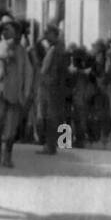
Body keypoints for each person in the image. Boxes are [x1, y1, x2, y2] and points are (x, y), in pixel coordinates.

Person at [0, 14, 33, 167]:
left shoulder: (22, 51)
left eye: (8, 29)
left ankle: (7, 157)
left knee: (10, 129)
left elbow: (28, 72)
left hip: (15, 94)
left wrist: (26, 92)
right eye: (3, 30)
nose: (5, 32)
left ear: (15, 32)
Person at [36, 24, 69, 154]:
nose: (46, 35)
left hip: (50, 86)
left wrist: (38, 41)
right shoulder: (60, 48)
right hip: (57, 86)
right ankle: (60, 143)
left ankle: (50, 146)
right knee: (57, 115)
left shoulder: (54, 49)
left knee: (49, 116)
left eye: (47, 33)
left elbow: (44, 69)